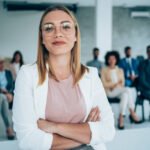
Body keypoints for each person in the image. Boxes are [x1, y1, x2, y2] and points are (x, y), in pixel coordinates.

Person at [12, 6, 115, 150]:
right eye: (49, 28)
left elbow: (108, 131)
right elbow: (28, 140)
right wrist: (85, 133)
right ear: (42, 38)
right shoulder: (27, 75)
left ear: (75, 36)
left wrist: (55, 127)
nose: (58, 33)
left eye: (66, 27)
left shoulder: (90, 75)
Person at [101, 51, 142, 130]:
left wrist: (115, 85)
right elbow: (104, 84)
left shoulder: (120, 70)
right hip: (109, 92)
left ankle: (121, 118)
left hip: (119, 91)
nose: (112, 60)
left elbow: (122, 83)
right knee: (127, 90)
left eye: (113, 58)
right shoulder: (104, 70)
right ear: (107, 60)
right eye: (110, 59)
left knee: (125, 95)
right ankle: (132, 113)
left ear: (116, 60)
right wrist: (115, 84)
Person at [0, 57, 15, 140]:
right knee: (3, 98)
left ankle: (8, 128)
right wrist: (2, 91)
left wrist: (10, 93)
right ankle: (9, 129)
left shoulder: (8, 73)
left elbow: (12, 85)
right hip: (1, 94)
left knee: (4, 99)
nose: (1, 65)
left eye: (2, 63)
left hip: (8, 94)